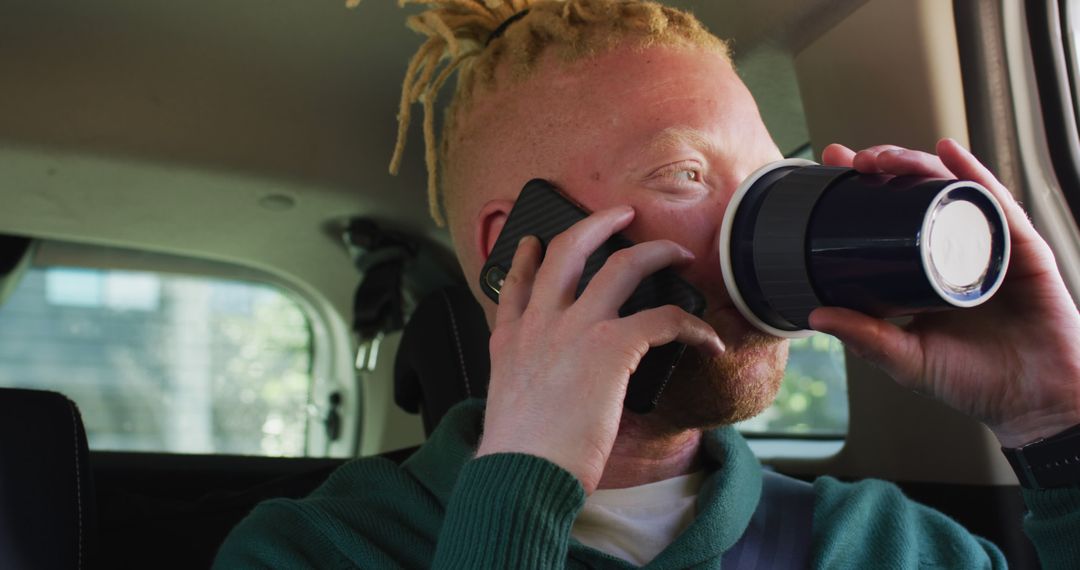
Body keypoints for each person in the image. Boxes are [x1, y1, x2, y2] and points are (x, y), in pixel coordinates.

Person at [214, 0, 1080, 567]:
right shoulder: (315, 549)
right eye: (684, 175)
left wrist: (1058, 423)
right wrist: (519, 494)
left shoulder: (894, 548)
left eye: (774, 175)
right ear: (522, 246)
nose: (757, 214)